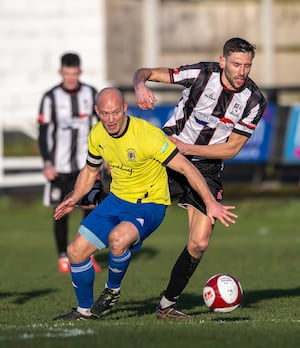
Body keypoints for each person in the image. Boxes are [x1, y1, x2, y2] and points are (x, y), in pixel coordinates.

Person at [52, 87, 237, 320]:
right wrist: (74, 198)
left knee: (118, 240)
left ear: (125, 108)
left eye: (116, 112)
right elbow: (90, 172)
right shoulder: (97, 134)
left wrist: (210, 202)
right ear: (97, 111)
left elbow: (186, 167)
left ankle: (112, 291)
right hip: (116, 200)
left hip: (149, 204)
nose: (111, 119)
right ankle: (84, 311)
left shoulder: (147, 135)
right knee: (75, 251)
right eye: (105, 113)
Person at [133, 37, 267, 319]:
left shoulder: (254, 101)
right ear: (222, 62)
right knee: (128, 225)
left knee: (199, 243)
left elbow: (231, 149)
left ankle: (168, 305)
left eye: (247, 66)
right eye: (236, 64)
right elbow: (145, 72)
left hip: (206, 169)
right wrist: (140, 85)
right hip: (167, 160)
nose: (242, 71)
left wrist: (189, 148)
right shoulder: (201, 74)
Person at [38, 52, 102, 273]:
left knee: (91, 209)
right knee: (61, 211)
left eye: (74, 74)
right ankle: (63, 256)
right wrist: (47, 162)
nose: (71, 78)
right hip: (59, 167)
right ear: (61, 72)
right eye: (67, 74)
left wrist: (106, 159)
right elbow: (43, 132)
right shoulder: (50, 98)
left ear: (79, 72)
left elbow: (101, 128)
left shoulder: (90, 94)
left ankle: (85, 253)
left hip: (87, 166)